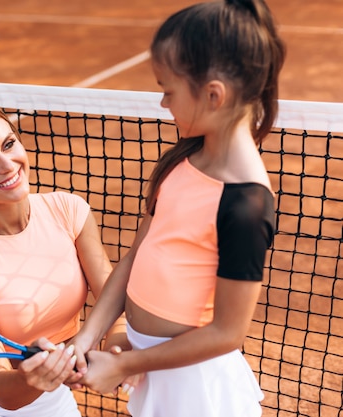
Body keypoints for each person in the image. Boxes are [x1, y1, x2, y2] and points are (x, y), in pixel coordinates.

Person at [65, 0, 286, 416]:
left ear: (213, 95)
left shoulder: (245, 205)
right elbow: (134, 258)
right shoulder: (181, 161)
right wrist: (85, 337)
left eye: (168, 90)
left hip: (198, 393)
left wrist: (126, 364)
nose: (164, 104)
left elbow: (226, 332)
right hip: (155, 373)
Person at [0, 95, 127, 416]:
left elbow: (114, 304)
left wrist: (117, 349)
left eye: (8, 144)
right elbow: (3, 390)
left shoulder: (69, 212)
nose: (7, 166)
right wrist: (40, 377)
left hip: (55, 402)